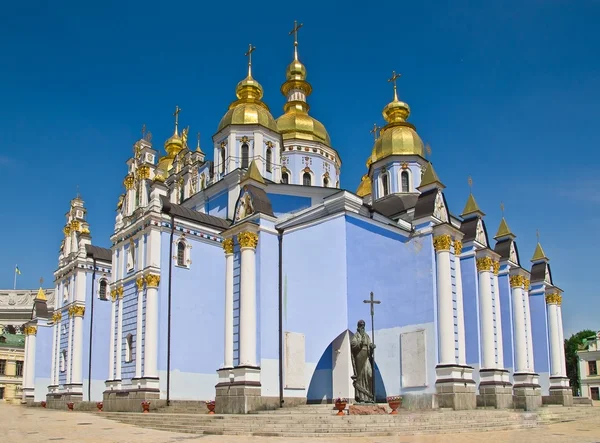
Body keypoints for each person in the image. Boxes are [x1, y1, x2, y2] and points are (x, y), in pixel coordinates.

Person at [350, 319, 375, 402]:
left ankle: (368, 396)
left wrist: (371, 347)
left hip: (366, 357)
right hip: (359, 357)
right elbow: (353, 345)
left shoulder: (367, 336)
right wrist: (360, 344)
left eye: (363, 326)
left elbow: (369, 348)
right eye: (361, 326)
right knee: (360, 377)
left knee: (369, 374)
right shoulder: (355, 336)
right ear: (358, 327)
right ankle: (361, 397)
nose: (362, 328)